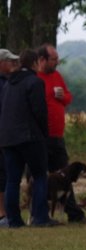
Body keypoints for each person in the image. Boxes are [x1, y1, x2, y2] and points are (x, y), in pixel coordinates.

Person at [0, 49, 58, 227]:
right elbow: (40, 111)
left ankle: (14, 220)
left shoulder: (9, 83)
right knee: (40, 175)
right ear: (34, 63)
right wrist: (44, 134)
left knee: (12, 179)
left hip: (8, 138)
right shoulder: (35, 82)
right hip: (30, 136)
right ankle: (40, 217)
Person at [37, 43, 86, 224]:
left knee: (65, 177)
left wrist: (62, 97)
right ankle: (40, 214)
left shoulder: (57, 76)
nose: (57, 63)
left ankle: (73, 213)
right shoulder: (35, 78)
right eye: (53, 60)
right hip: (40, 137)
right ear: (42, 60)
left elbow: (68, 97)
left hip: (57, 136)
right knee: (39, 176)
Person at [0, 49, 20, 228]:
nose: (13, 64)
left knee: (7, 174)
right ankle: (2, 213)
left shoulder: (8, 81)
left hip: (7, 135)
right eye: (10, 61)